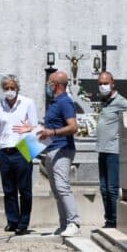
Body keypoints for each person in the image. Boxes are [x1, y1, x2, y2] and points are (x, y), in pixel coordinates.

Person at [17, 71, 81, 236]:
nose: (47, 85)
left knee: (62, 187)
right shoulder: (54, 103)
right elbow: (48, 129)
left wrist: (51, 132)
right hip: (52, 151)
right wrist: (31, 129)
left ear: (56, 84)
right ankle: (63, 225)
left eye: (49, 83)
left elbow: (73, 127)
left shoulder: (65, 102)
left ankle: (74, 223)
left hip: (63, 150)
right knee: (56, 190)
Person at [96, 72, 127, 228]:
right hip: (102, 150)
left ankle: (116, 220)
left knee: (111, 188)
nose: (102, 86)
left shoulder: (119, 100)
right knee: (103, 188)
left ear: (112, 83)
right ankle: (108, 219)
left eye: (105, 83)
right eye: (100, 83)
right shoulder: (106, 102)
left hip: (113, 150)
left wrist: (124, 129)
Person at [0, 75, 38, 235]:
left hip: (23, 148)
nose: (10, 91)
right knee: (9, 189)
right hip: (5, 150)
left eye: (12, 88)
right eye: (7, 88)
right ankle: (12, 221)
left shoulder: (27, 103)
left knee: (25, 190)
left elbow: (36, 126)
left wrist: (29, 129)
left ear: (17, 88)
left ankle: (23, 223)